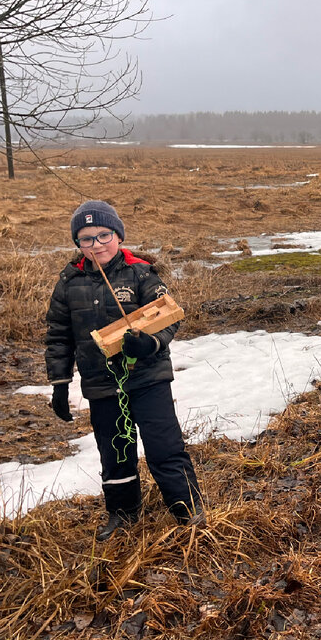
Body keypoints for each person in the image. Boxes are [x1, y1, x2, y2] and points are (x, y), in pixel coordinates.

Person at [45, 200, 203, 540]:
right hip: (101, 384)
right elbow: (58, 336)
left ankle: (187, 509)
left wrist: (150, 343)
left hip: (148, 378)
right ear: (78, 244)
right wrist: (59, 384)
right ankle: (123, 513)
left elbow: (168, 317)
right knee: (115, 451)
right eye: (86, 239)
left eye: (104, 235)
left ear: (117, 235)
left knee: (164, 446)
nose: (97, 245)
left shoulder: (141, 273)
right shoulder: (69, 283)